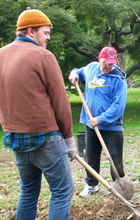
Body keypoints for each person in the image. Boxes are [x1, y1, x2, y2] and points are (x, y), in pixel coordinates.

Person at [0, 8, 76, 220]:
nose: (48, 37)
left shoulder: (0, 55)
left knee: (28, 191)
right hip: (45, 138)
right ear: (31, 31)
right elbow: (60, 101)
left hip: (16, 138)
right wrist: (69, 139)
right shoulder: (43, 56)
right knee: (62, 191)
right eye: (46, 32)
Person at [68, 46, 127, 196]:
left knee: (115, 158)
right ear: (99, 59)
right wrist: (73, 73)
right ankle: (91, 184)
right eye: (106, 63)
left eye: (111, 64)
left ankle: (118, 186)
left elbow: (118, 106)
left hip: (111, 126)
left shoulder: (119, 79)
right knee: (91, 155)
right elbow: (78, 72)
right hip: (91, 124)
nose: (108, 67)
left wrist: (100, 119)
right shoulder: (91, 68)